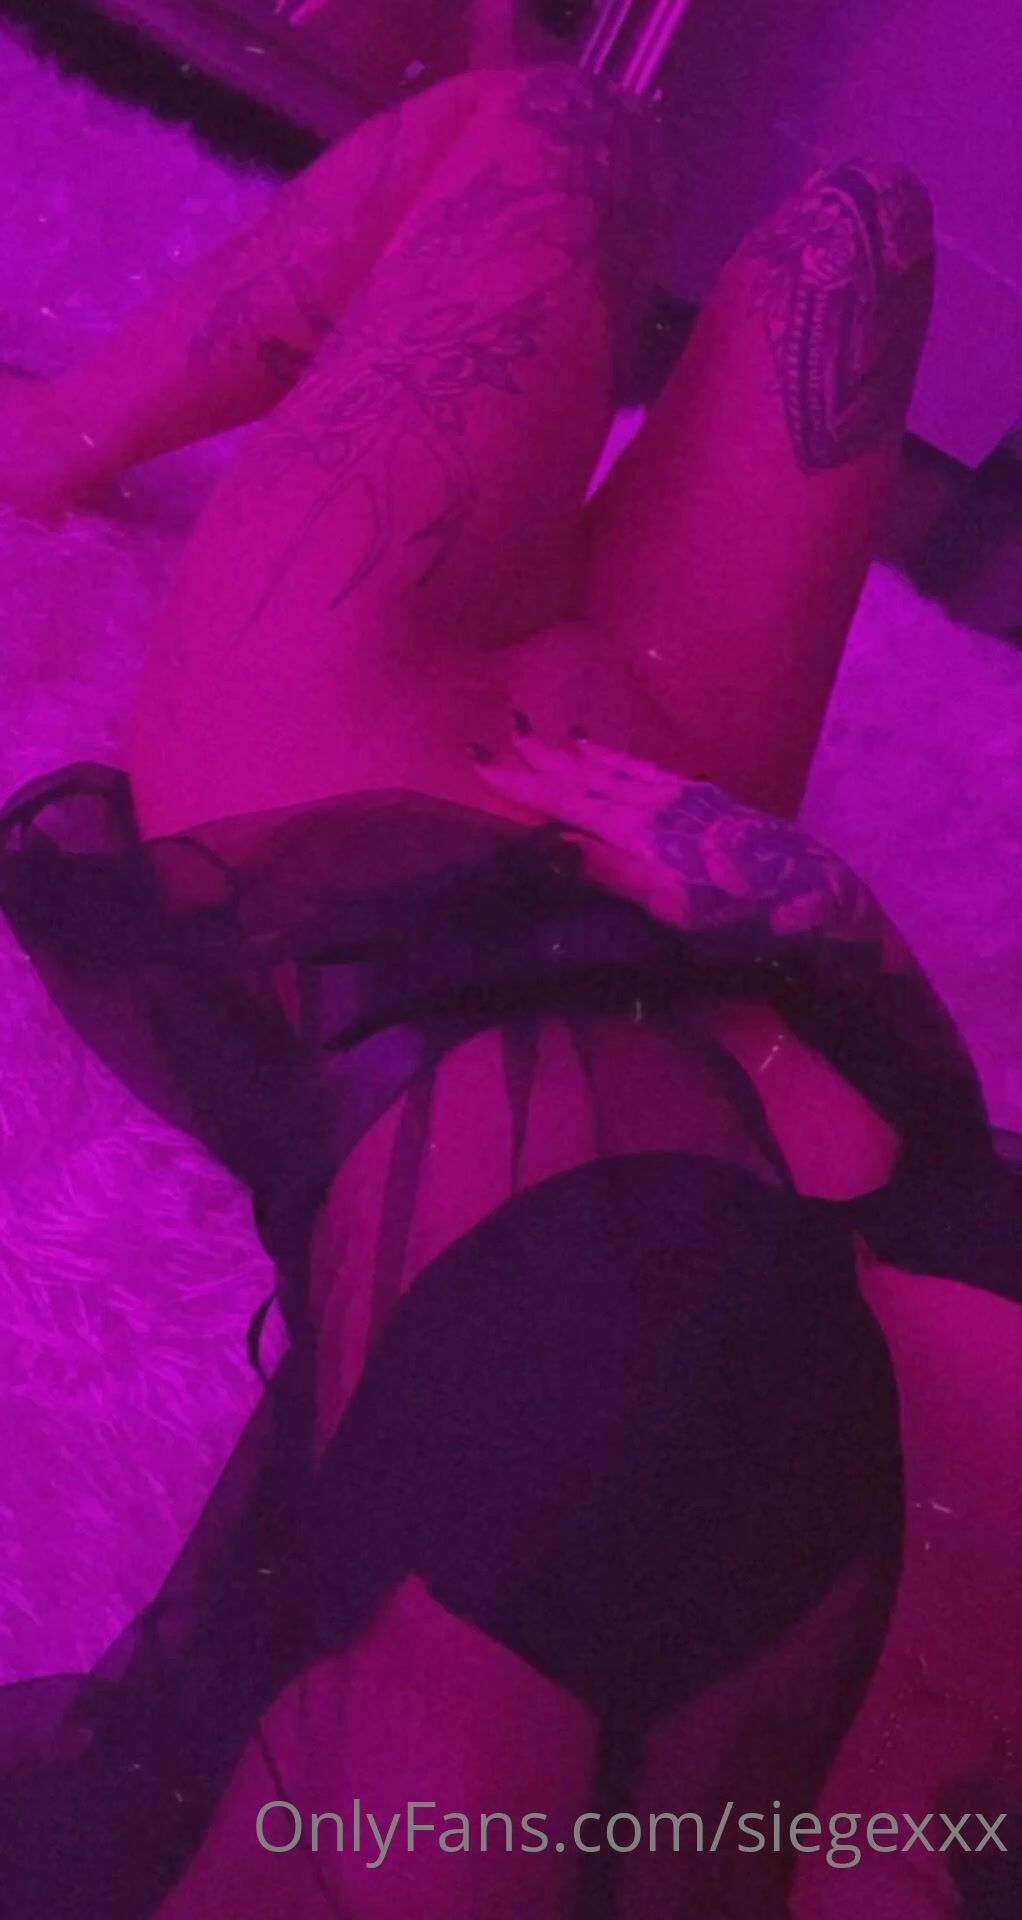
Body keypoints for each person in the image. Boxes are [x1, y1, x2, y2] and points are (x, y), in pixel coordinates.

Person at [0, 11, 1019, 1918]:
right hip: (703, 852)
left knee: (552, 135)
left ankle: (44, 438)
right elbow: (936, 1174)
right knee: (860, 240)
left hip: (380, 842)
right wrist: (809, 911)